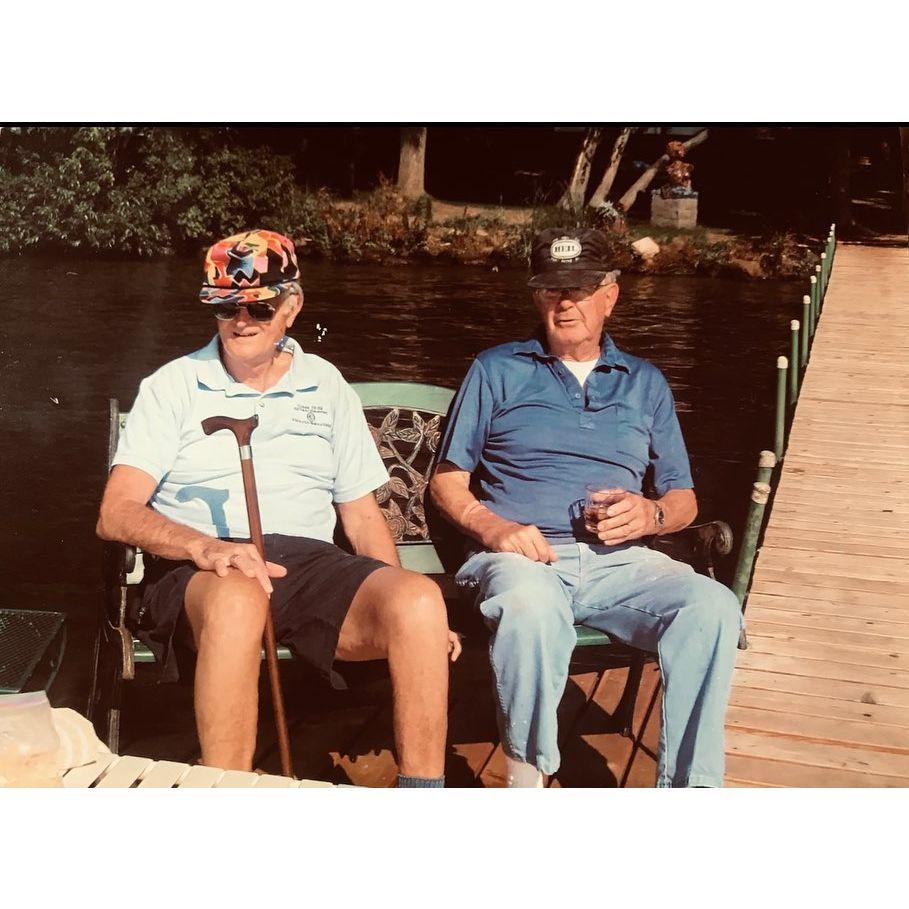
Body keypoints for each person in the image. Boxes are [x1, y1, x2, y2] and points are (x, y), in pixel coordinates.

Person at [97, 229, 459, 787]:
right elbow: (116, 512)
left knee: (418, 601)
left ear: (292, 305)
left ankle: (421, 798)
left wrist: (419, 622)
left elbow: (362, 518)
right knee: (239, 599)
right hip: (202, 568)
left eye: (258, 307)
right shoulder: (174, 385)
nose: (240, 321)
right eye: (224, 307)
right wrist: (208, 548)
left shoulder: (326, 384)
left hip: (309, 563)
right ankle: (230, 793)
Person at [429, 227, 742, 788]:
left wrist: (652, 515)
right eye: (552, 289)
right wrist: (493, 527)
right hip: (524, 559)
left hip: (624, 565)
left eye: (578, 288)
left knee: (712, 606)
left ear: (609, 294)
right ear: (535, 297)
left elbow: (684, 498)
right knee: (528, 605)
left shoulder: (644, 383)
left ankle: (692, 792)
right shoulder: (496, 369)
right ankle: (528, 784)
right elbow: (447, 482)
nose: (565, 302)